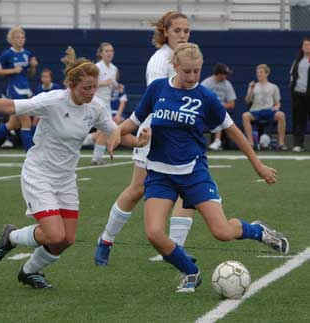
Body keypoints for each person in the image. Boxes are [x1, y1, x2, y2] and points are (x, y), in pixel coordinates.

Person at [0, 46, 149, 289]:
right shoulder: (52, 101)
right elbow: (11, 106)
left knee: (67, 240)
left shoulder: (95, 106)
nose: (92, 92)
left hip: (65, 178)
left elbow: (114, 132)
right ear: (71, 85)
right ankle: (11, 237)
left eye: (94, 86)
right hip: (39, 174)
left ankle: (28, 272)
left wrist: (138, 141)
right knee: (55, 235)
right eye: (86, 87)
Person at [108, 43, 289, 293]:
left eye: (196, 71)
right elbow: (132, 122)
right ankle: (191, 272)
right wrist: (117, 132)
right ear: (175, 67)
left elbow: (234, 131)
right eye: (187, 72)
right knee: (154, 234)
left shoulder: (205, 97)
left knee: (223, 232)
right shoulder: (157, 89)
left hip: (193, 173)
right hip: (160, 174)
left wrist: (257, 164)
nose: (192, 77)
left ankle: (258, 231)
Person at [94, 11, 195, 266]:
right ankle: (105, 240)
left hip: (180, 135)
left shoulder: (187, 55)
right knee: (137, 189)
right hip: (155, 133)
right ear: (165, 33)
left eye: (186, 30)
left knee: (189, 191)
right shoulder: (160, 61)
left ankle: (175, 250)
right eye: (177, 31)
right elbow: (161, 103)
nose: (183, 35)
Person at [0, 26, 38, 158]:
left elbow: (30, 74)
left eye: (22, 37)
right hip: (14, 90)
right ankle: (31, 155)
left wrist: (33, 66)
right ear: (11, 40)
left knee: (13, 124)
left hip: (25, 89)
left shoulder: (28, 53)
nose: (20, 40)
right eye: (17, 37)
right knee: (26, 121)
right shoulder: (7, 54)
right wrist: (12, 71)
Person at [242, 64, 287, 150]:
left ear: (267, 73)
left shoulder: (273, 87)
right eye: (258, 72)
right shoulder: (253, 86)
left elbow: (277, 103)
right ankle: (250, 144)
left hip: (269, 111)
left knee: (281, 115)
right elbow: (247, 101)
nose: (259, 74)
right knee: (245, 116)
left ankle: (281, 143)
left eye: (261, 72)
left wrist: (276, 108)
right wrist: (251, 89)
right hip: (255, 111)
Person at [90, 42, 118, 165]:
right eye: (106, 51)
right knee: (105, 129)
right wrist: (103, 83)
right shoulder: (96, 67)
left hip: (107, 103)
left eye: (111, 51)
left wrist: (117, 86)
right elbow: (90, 85)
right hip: (95, 101)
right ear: (101, 53)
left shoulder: (114, 68)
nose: (109, 53)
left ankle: (97, 157)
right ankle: (97, 157)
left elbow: (113, 84)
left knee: (104, 131)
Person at [203, 63, 237, 151]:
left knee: (219, 113)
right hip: (206, 109)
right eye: (225, 74)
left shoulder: (227, 84)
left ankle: (217, 141)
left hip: (220, 110)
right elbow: (199, 98)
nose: (226, 76)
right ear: (219, 74)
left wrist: (218, 106)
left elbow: (232, 103)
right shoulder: (206, 83)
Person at [290, 37, 310, 152]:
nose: (307, 47)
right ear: (302, 48)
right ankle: (298, 144)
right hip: (299, 95)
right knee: (299, 121)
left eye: (309, 45)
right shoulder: (297, 61)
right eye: (305, 45)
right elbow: (292, 76)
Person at [31, 68, 62, 134]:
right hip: (41, 110)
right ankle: (33, 138)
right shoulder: (38, 88)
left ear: (51, 78)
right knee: (35, 119)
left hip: (54, 110)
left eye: (47, 77)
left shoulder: (57, 87)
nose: (45, 78)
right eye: (43, 76)